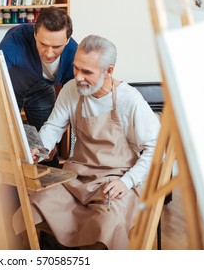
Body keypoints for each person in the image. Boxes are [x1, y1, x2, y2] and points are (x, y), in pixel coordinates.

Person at [12, 35, 161, 249]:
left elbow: (156, 151)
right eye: (76, 68)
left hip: (116, 181)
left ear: (108, 71)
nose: (78, 77)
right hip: (76, 178)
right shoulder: (71, 90)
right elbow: (53, 127)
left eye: (87, 72)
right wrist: (40, 148)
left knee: (107, 221)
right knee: (35, 203)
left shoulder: (130, 100)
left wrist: (127, 182)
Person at [0, 6, 78, 167]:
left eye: (56, 47)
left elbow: (70, 98)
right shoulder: (16, 39)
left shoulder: (73, 52)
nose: (49, 53)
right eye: (43, 44)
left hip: (41, 91)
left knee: (47, 148)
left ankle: (51, 187)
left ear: (67, 40)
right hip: (11, 91)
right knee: (8, 143)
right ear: (35, 33)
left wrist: (53, 137)